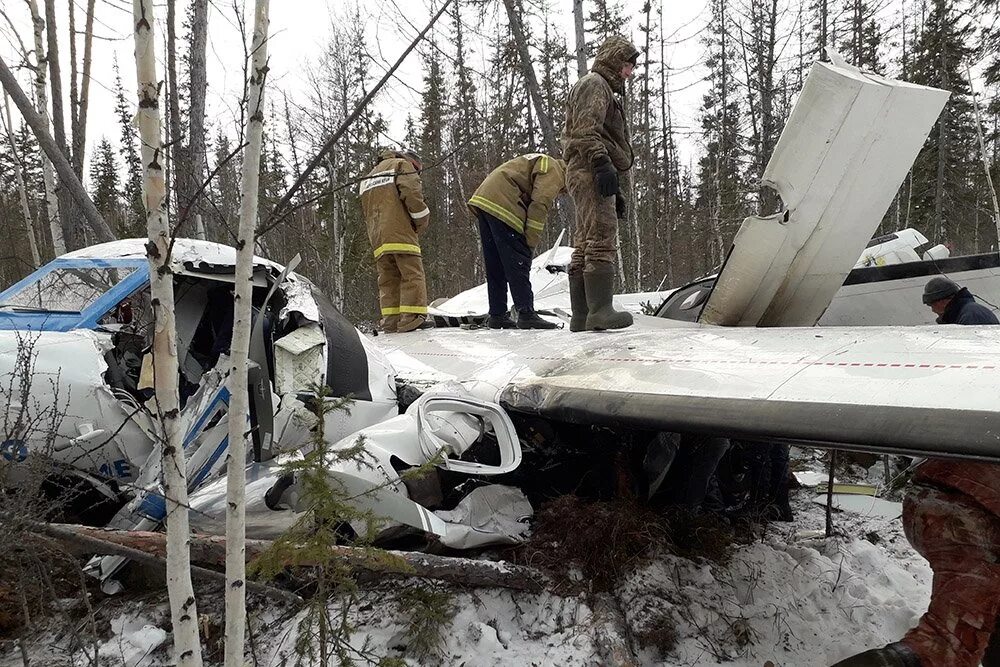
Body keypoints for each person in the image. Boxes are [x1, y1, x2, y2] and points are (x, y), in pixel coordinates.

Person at [832, 278, 999, 667]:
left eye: (932, 306)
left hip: (949, 490)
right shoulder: (971, 316)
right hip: (968, 503)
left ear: (944, 300)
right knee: (951, 640)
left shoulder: (970, 318)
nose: (931, 312)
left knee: (960, 634)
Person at [562, 35, 639, 331]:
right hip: (589, 167)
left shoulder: (598, 86)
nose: (629, 72)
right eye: (627, 65)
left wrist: (613, 182)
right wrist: (601, 163)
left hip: (586, 168)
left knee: (585, 238)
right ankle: (600, 310)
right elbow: (585, 130)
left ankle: (582, 315)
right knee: (602, 234)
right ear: (614, 60)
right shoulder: (595, 84)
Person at [468, 153, 567, 329]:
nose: (562, 192)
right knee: (517, 261)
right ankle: (526, 313)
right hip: (504, 201)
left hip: (484, 199)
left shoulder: (540, 161)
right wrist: (529, 241)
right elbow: (539, 204)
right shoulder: (556, 170)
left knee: (496, 264)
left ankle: (497, 315)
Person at [359, 148, 432, 333]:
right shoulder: (402, 166)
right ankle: (412, 318)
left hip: (377, 238)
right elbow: (413, 196)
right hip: (400, 232)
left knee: (388, 279)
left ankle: (391, 321)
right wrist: (420, 223)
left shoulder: (370, 176)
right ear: (414, 164)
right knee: (412, 274)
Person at [922, 275, 999, 325]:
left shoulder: (972, 316)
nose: (933, 310)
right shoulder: (964, 313)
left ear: (942, 301)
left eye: (931, 304)